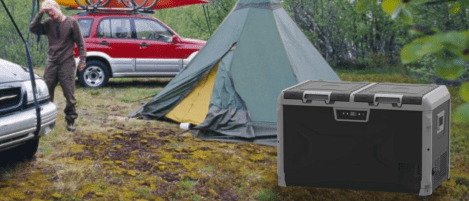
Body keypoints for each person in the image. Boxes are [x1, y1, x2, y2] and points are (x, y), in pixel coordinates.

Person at [30, 0, 86, 132]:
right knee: (47, 93)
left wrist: (83, 60)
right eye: (47, 12)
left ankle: (71, 120)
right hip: (51, 62)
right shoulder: (48, 23)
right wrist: (40, 13)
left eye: (51, 10)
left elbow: (81, 42)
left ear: (57, 7)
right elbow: (33, 29)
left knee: (69, 93)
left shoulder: (72, 22)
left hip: (67, 62)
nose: (50, 14)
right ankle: (48, 121)